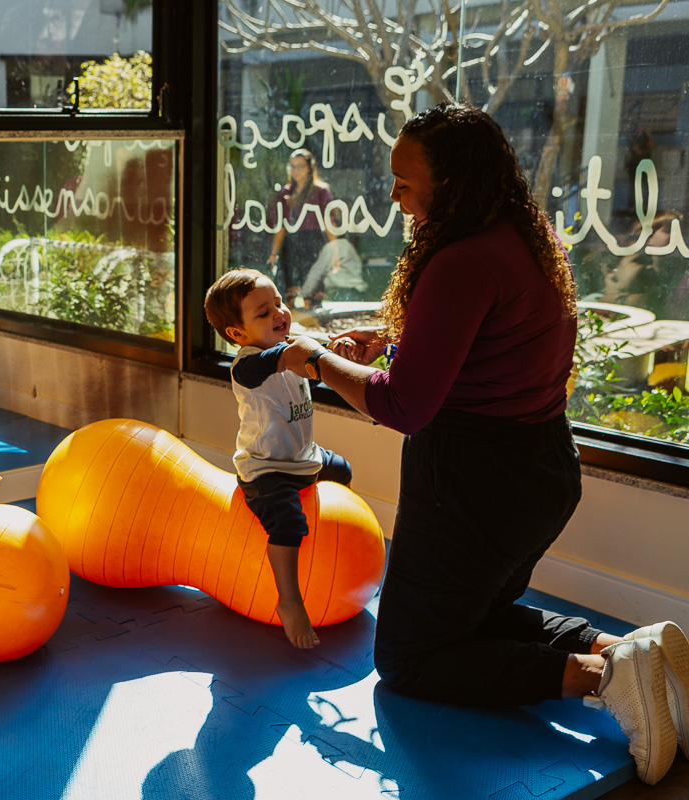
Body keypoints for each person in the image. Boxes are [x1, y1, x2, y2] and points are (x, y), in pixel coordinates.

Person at [275, 103, 689, 785]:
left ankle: (598, 677)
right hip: (541, 471)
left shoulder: (461, 260)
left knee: (407, 659)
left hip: (475, 485)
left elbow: (402, 403)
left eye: (406, 182)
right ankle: (632, 652)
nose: (395, 195)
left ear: (454, 182)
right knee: (480, 615)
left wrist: (316, 358)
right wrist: (400, 346)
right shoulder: (529, 239)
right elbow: (492, 346)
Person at [203, 268, 353, 649]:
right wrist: (298, 350)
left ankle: (328, 550)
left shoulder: (289, 348)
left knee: (344, 470)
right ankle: (290, 600)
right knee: (287, 523)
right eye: (263, 312)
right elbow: (273, 362)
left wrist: (336, 354)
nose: (279, 314)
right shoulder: (246, 365)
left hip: (304, 457)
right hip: (266, 469)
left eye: (279, 304)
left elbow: (311, 368)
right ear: (237, 334)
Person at [265, 149, 334, 303]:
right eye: (293, 166)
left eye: (300, 166)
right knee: (286, 293)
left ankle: (312, 321)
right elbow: (281, 226)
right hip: (290, 245)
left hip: (313, 244)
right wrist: (274, 254)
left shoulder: (321, 191)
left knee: (312, 294)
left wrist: (335, 252)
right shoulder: (286, 192)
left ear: (310, 167)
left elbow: (330, 223)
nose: (296, 170)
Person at [299, 234, 366, 306]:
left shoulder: (331, 247)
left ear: (333, 226)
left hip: (340, 295)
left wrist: (304, 294)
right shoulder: (349, 246)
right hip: (356, 294)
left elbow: (315, 275)